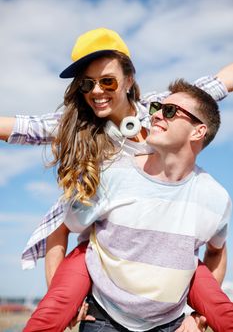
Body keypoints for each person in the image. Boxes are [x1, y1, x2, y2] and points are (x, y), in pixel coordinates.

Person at [1, 28, 233, 331]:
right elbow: (23, 128)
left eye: (107, 81)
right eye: (87, 84)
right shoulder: (79, 127)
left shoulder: (163, 109)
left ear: (129, 80)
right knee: (55, 310)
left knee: (216, 306)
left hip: (166, 239)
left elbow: (220, 83)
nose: (96, 91)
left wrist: (198, 318)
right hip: (107, 240)